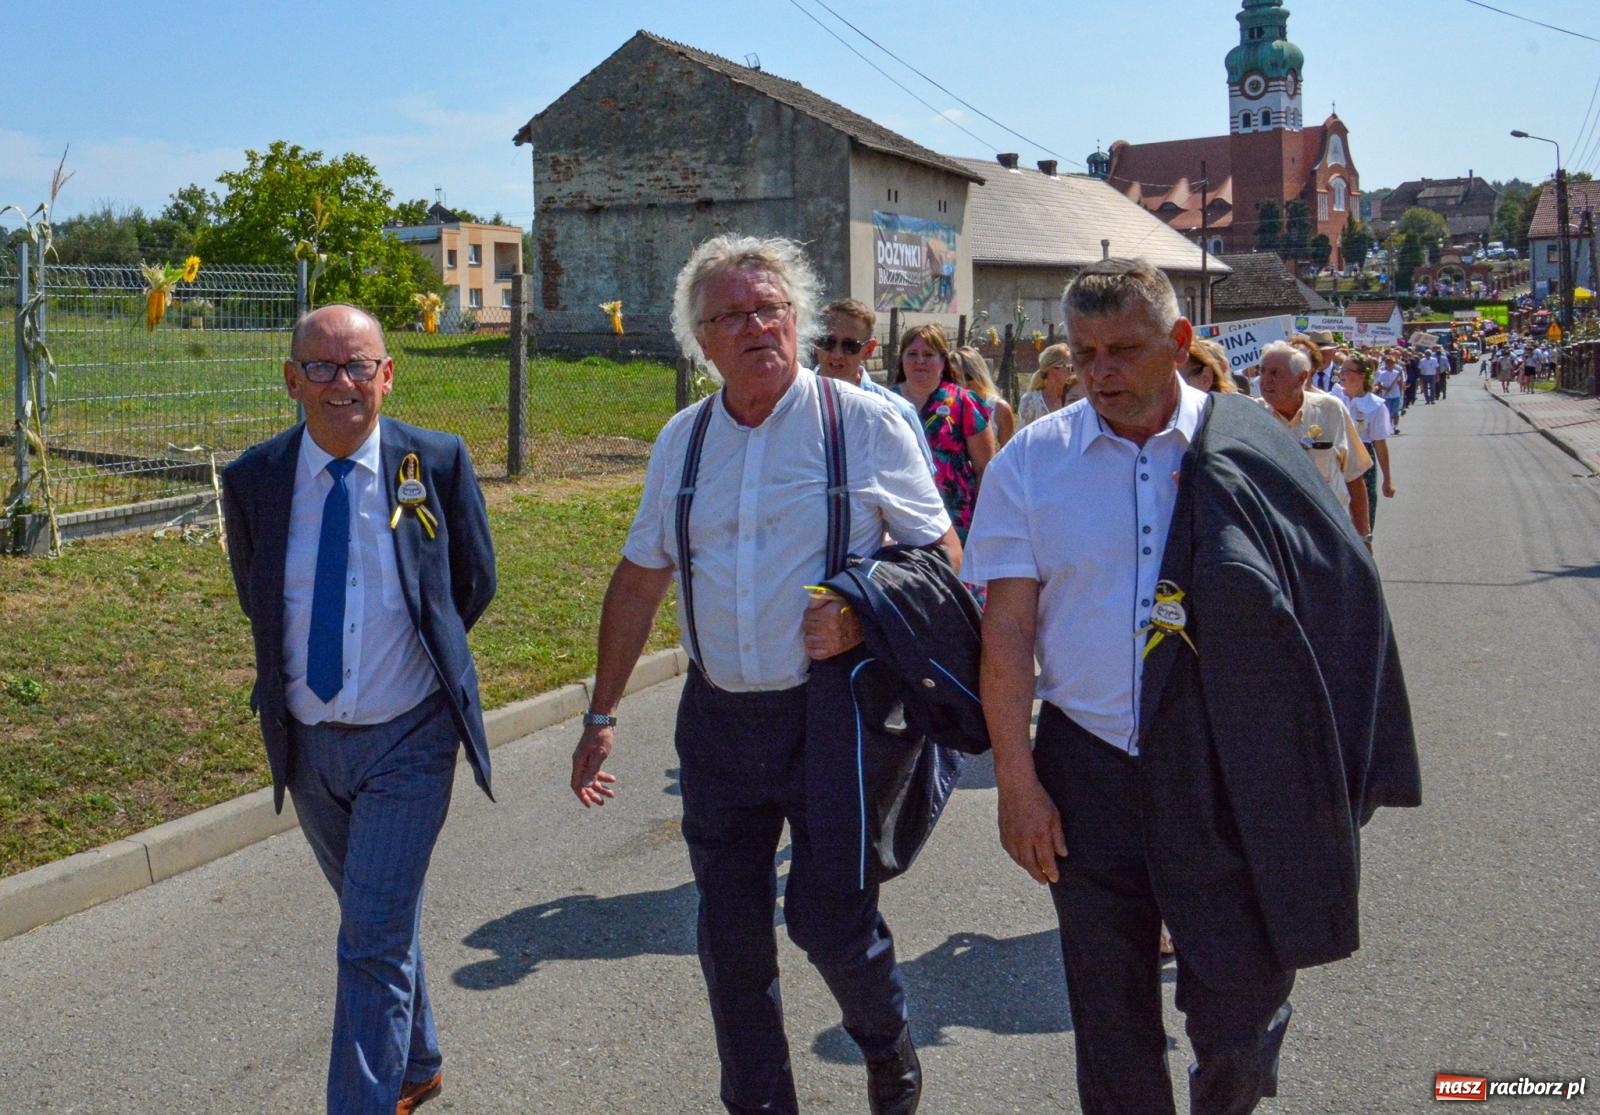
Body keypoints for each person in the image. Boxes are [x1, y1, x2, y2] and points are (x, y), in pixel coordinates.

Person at [965, 257, 1420, 1115]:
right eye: (1084, 350)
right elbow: (1009, 629)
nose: (1101, 372)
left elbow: (1338, 596)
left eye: (1124, 349)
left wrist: (1326, 761)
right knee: (1109, 1017)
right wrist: (1017, 781)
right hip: (1088, 765)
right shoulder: (1033, 461)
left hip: (1224, 767)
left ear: (1179, 342)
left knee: (1243, 1010)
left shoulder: (1250, 444)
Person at [571, 234, 960, 1115]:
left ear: (800, 320)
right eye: (730, 316)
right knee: (730, 939)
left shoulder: (862, 424)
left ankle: (887, 1047)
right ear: (699, 341)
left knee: (831, 920)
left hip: (833, 719)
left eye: (770, 309)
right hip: (717, 722)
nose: (755, 328)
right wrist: (600, 713)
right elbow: (640, 576)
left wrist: (862, 613)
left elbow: (944, 559)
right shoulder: (684, 439)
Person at [221, 304, 496, 1115]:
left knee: (368, 941)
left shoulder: (436, 464)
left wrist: (412, 666)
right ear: (291, 380)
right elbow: (258, 600)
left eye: (358, 366)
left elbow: (471, 583)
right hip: (307, 748)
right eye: (321, 367)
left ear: (387, 374)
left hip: (409, 738)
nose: (342, 383)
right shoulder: (254, 479)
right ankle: (420, 1061)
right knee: (376, 917)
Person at [1258, 340, 1374, 545]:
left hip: (1330, 535)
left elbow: (1354, 477)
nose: (1265, 380)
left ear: (1301, 377)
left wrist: (1364, 537)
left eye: (1275, 373)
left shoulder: (1330, 410)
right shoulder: (1253, 415)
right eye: (1263, 371)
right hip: (1278, 539)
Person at [893, 324, 997, 542]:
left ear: (943, 361)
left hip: (956, 519)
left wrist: (985, 520)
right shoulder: (885, 401)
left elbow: (985, 468)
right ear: (901, 359)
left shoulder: (964, 402)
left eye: (928, 354)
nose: (920, 361)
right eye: (912, 354)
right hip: (899, 516)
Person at [813, 298, 934, 473]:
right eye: (828, 342)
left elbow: (924, 488)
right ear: (815, 341)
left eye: (850, 346)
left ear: (868, 350)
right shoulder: (791, 403)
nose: (837, 354)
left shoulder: (897, 412)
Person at [1332, 354, 1397, 532]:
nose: (1342, 374)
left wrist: (1387, 479)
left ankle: (1363, 545)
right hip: (1336, 456)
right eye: (1341, 370)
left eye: (1347, 371)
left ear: (1362, 376)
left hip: (1362, 457)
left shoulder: (1375, 405)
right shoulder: (1334, 397)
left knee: (1362, 508)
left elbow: (1380, 444)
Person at [951, 345, 1016, 447]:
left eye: (968, 376)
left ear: (979, 374)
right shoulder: (942, 407)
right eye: (955, 378)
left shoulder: (999, 409)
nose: (963, 383)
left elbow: (1009, 454)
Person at [1018, 343, 1079, 426]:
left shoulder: (1077, 398)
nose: (1073, 373)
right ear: (1053, 369)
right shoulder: (1031, 401)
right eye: (1070, 368)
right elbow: (1023, 436)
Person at [1375, 352, 1404, 431]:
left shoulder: (1397, 373)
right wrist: (1384, 388)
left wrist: (1401, 391)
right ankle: (1389, 427)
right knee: (1388, 412)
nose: (1390, 364)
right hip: (1386, 395)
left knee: (1395, 412)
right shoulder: (1382, 373)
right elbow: (1377, 384)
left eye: (1392, 363)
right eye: (1388, 362)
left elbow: (1400, 383)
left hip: (1396, 395)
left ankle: (1395, 427)